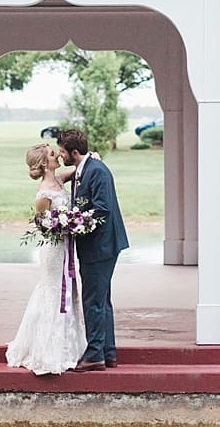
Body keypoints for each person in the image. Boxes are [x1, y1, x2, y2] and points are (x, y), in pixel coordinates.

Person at [5, 143, 86, 375]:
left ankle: (70, 346)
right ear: (44, 163)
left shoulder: (59, 179)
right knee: (53, 291)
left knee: (68, 288)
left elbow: (78, 168)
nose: (58, 155)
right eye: (53, 154)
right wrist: (62, 226)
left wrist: (91, 157)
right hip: (53, 249)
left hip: (65, 247)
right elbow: (41, 224)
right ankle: (49, 351)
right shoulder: (43, 193)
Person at [58, 128, 129, 372]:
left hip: (101, 247)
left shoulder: (97, 171)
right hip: (97, 246)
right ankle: (109, 353)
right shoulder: (83, 168)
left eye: (62, 152)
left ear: (74, 152)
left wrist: (72, 222)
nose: (60, 156)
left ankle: (95, 355)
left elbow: (101, 210)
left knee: (94, 302)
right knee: (101, 300)